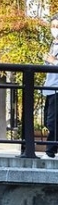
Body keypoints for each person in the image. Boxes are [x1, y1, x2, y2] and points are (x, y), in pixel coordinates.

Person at [44, 15, 58, 157]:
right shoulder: (53, 44)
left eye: (57, 26)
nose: (54, 29)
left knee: (52, 121)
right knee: (47, 120)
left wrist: (53, 61)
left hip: (56, 88)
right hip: (49, 87)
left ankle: (50, 150)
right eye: (53, 26)